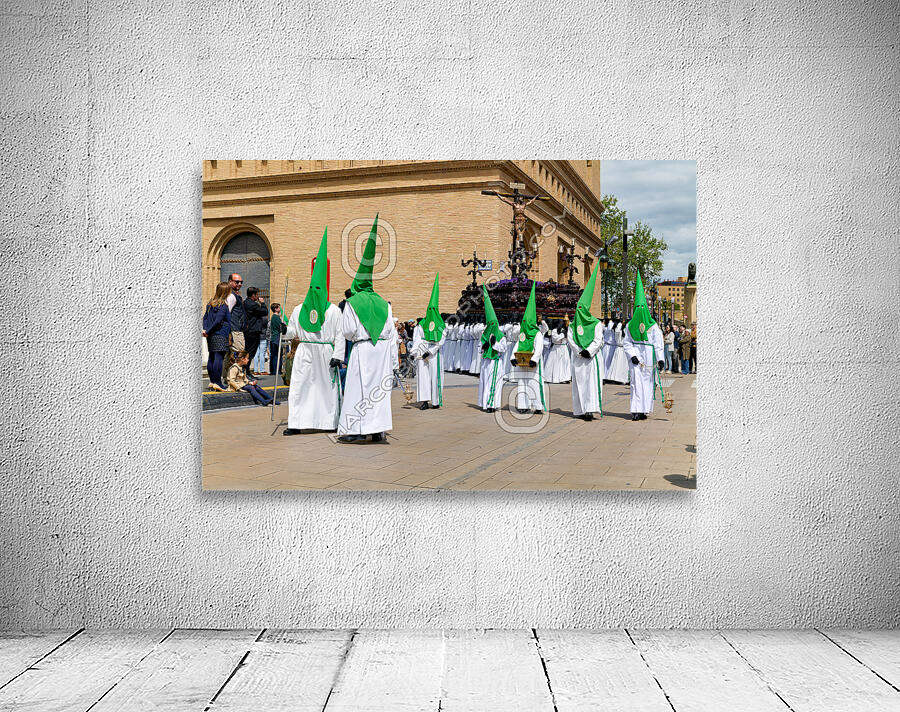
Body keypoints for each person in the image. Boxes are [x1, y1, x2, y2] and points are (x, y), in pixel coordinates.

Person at [337, 215, 399, 443]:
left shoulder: (353, 303)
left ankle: (355, 430)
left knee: (357, 389)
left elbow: (347, 331)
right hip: (382, 351)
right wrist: (394, 363)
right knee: (378, 392)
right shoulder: (385, 303)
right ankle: (377, 430)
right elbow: (392, 334)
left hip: (363, 349)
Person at [283, 228, 346, 435]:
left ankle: (328, 422)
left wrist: (338, 355)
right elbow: (292, 332)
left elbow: (339, 335)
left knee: (325, 389)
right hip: (305, 353)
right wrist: (284, 329)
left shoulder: (335, 311)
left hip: (326, 354)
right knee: (301, 387)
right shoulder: (299, 309)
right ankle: (297, 423)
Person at [623, 272, 665, 421]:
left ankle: (644, 409)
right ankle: (635, 410)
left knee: (647, 384)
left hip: (649, 357)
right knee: (635, 383)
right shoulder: (629, 325)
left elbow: (658, 344)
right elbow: (627, 342)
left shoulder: (653, 326)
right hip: (636, 358)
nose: (640, 309)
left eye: (643, 307)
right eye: (638, 306)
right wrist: (632, 355)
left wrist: (660, 359)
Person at [567, 266, 604, 420]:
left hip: (591, 358)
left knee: (591, 384)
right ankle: (580, 409)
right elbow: (570, 339)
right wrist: (578, 351)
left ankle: (590, 409)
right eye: (578, 308)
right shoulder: (572, 325)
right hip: (578, 359)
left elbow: (598, 340)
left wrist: (589, 351)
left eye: (583, 308)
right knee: (579, 384)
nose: (580, 311)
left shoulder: (596, 324)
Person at [509, 281, 547, 413]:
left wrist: (534, 359)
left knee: (534, 384)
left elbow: (539, 348)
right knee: (522, 385)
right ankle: (523, 405)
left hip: (532, 364)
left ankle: (538, 406)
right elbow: (517, 345)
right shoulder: (523, 334)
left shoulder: (537, 334)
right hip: (522, 362)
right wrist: (512, 357)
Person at [411, 274, 446, 409]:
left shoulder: (441, 325)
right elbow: (417, 338)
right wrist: (415, 352)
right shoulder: (422, 324)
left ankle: (435, 401)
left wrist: (430, 351)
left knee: (434, 376)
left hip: (434, 353)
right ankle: (424, 400)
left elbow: (441, 341)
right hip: (422, 351)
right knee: (423, 377)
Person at [478, 285, 508, 412]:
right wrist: (484, 347)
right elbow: (479, 347)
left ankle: (492, 404)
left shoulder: (500, 335)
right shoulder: (484, 334)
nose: (492, 326)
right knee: (485, 382)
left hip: (495, 361)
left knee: (494, 383)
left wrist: (494, 344)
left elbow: (503, 348)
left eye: (494, 324)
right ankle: (484, 403)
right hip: (486, 361)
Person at [202, 281, 231, 391]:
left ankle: (212, 381)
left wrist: (205, 330)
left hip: (211, 334)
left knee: (212, 357)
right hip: (220, 333)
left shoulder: (210, 304)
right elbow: (219, 320)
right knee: (219, 358)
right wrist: (208, 330)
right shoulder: (223, 305)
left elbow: (205, 318)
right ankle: (218, 382)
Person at [242, 286, 268, 377]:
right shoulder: (253, 304)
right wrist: (263, 303)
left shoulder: (245, 303)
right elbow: (264, 312)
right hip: (253, 330)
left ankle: (247, 371)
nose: (258, 297)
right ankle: (246, 371)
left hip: (248, 330)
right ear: (253, 295)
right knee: (251, 352)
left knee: (249, 351)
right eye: (257, 295)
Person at [225, 273, 246, 355]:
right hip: (235, 330)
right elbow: (227, 312)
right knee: (239, 353)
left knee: (231, 355)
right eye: (237, 282)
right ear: (230, 282)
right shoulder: (231, 296)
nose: (240, 284)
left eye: (241, 282)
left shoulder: (235, 295)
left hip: (237, 329)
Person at [606, 319, 630, 384]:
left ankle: (615, 377)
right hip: (623, 349)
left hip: (619, 348)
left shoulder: (618, 330)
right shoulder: (626, 331)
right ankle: (620, 378)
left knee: (616, 364)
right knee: (621, 365)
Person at [269, 302, 287, 376]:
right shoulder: (275, 317)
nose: (280, 309)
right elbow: (280, 327)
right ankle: (276, 371)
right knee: (277, 355)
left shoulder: (273, 317)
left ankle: (274, 370)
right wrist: (284, 325)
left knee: (274, 355)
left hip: (274, 337)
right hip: (276, 337)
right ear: (276, 309)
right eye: (279, 308)